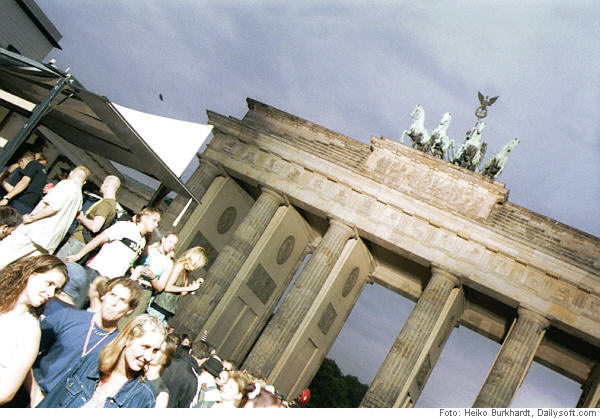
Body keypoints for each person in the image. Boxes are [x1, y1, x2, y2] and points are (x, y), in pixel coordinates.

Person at [30, 277, 142, 405]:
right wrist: (34, 393)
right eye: (112, 295)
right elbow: (26, 354)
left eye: (122, 300)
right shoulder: (68, 317)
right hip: (34, 392)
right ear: (104, 295)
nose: (114, 303)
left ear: (130, 310)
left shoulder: (118, 346)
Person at [38, 314, 166, 408]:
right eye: (145, 347)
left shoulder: (143, 396)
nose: (149, 357)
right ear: (128, 339)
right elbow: (52, 402)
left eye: (155, 350)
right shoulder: (92, 363)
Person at [0, 255, 67, 406]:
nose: (50, 294)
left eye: (55, 289)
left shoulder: (30, 330)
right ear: (31, 273)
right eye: (49, 283)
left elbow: (6, 391)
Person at [62, 207, 161, 309]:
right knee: (76, 306)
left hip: (110, 282)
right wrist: (78, 255)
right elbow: (100, 238)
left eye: (158, 222)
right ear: (143, 218)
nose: (156, 225)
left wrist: (132, 270)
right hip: (97, 273)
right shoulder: (125, 227)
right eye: (154, 220)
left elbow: (129, 260)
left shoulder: (143, 241)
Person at [0, 166, 89, 270]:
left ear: (71, 173)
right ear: (84, 182)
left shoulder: (66, 184)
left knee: (3, 254)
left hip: (34, 233)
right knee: (17, 269)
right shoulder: (79, 197)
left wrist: (32, 217)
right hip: (48, 243)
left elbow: (53, 207)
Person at [118, 232, 178, 327]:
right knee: (117, 310)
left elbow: (160, 287)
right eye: (170, 241)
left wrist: (152, 277)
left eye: (174, 244)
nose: (171, 245)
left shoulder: (168, 263)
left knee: (127, 323)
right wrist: (133, 269)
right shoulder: (149, 250)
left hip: (145, 292)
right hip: (132, 284)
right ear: (163, 239)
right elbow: (132, 261)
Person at [55, 175, 121, 261]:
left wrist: (82, 218)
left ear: (106, 185)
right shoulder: (112, 205)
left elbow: (95, 227)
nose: (101, 185)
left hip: (78, 241)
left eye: (103, 182)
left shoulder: (106, 204)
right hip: (83, 243)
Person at [147, 246, 207, 325]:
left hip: (168, 309)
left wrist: (193, 287)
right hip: (159, 306)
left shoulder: (187, 271)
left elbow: (182, 293)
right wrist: (189, 287)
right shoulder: (179, 265)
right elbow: (168, 287)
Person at [146, 333, 177, 408]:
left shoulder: (162, 393)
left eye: (158, 350)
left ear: (166, 358)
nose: (152, 351)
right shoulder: (136, 373)